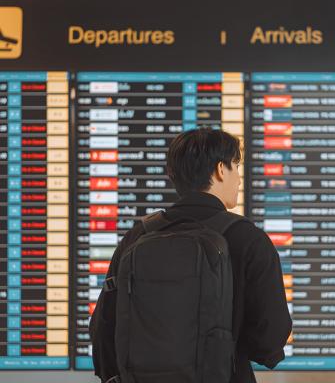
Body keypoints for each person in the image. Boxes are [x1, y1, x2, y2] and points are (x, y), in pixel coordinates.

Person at [90, 127, 292, 383]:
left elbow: (102, 332)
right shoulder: (248, 239)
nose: (239, 179)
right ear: (221, 169)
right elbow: (270, 341)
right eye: (236, 166)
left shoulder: (137, 236)